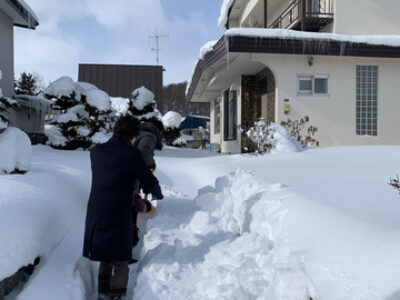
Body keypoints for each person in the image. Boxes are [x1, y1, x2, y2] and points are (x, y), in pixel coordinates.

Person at [82, 115, 163, 300]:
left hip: (97, 210)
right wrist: (156, 192)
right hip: (119, 210)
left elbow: (111, 176)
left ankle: (102, 291)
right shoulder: (131, 154)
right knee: (120, 257)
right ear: (133, 134)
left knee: (105, 253)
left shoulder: (96, 151)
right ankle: (117, 295)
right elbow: (147, 177)